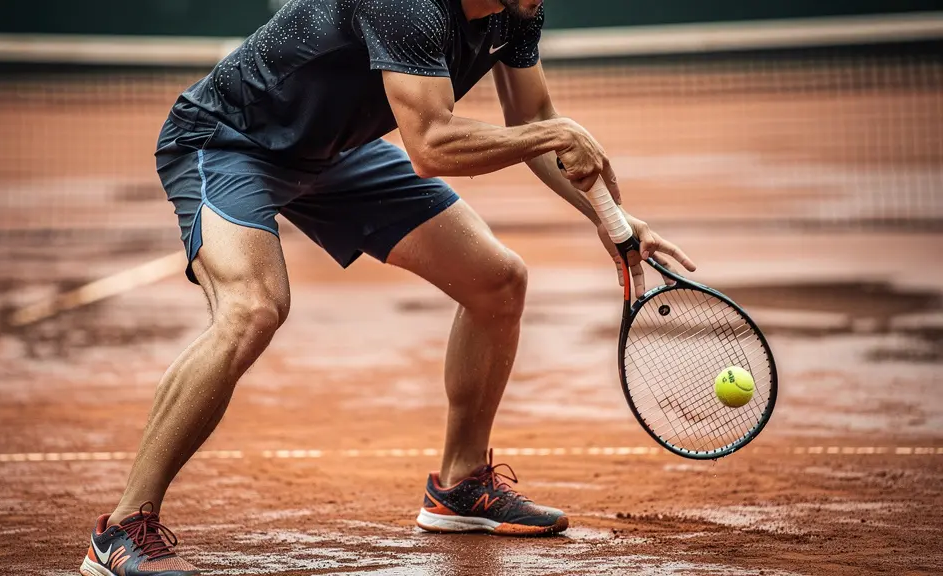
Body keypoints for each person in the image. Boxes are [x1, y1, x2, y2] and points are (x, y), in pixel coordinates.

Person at [80, 0, 696, 574]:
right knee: (253, 308)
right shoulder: (407, 3)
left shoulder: (517, 11)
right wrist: (555, 134)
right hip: (229, 141)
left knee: (497, 281)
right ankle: (124, 529)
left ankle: (460, 488)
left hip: (334, 154)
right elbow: (432, 145)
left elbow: (533, 116)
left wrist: (609, 217)